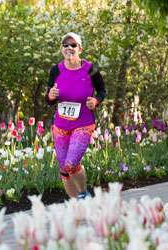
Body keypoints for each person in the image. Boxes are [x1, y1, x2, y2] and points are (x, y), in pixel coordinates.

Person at [46, 32, 106, 198]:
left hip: (83, 123)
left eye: (73, 45)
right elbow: (49, 98)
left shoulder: (91, 69)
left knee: (71, 164)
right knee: (64, 169)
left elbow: (102, 91)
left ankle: (83, 193)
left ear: (80, 48)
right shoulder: (55, 70)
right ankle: (76, 204)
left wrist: (96, 100)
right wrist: (50, 96)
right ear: (61, 49)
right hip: (61, 126)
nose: (69, 48)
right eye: (65, 45)